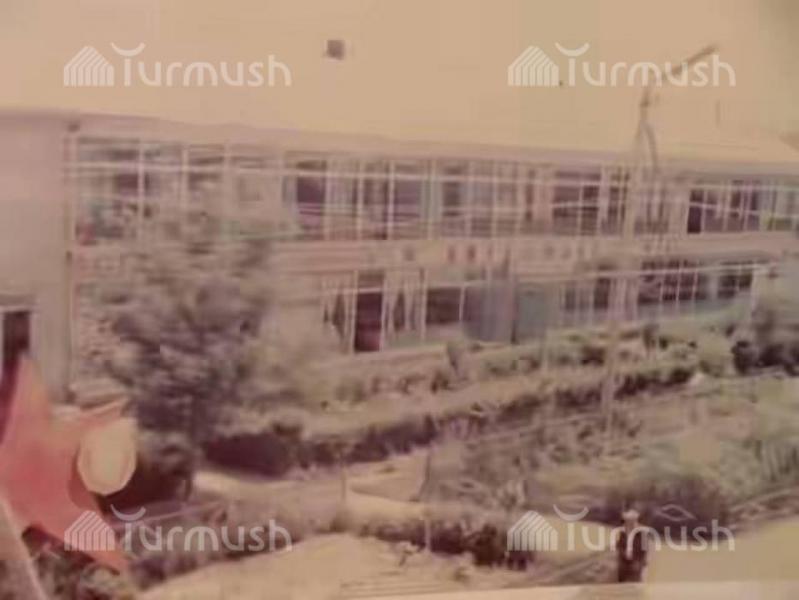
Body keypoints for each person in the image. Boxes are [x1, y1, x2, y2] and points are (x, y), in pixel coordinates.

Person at [616, 508, 649, 583]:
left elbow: (644, 549)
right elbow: (619, 545)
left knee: (634, 581)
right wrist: (623, 554)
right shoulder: (622, 532)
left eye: (630, 520)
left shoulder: (641, 533)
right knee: (622, 581)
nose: (628, 522)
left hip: (636, 561)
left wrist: (640, 561)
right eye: (627, 520)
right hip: (623, 562)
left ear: (635, 520)